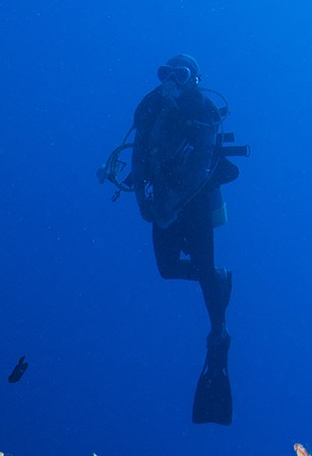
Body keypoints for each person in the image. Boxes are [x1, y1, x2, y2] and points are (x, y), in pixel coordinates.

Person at [97, 54, 246, 425]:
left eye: (180, 75)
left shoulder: (203, 109)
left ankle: (218, 332)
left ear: (193, 79)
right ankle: (219, 278)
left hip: (194, 205)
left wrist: (172, 205)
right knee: (166, 269)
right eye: (166, 73)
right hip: (163, 203)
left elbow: (202, 165)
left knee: (204, 269)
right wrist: (144, 202)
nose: (170, 80)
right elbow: (139, 158)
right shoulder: (150, 107)